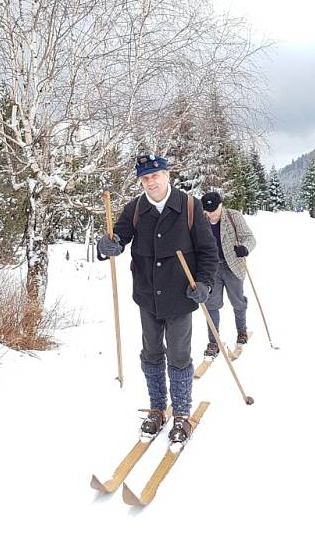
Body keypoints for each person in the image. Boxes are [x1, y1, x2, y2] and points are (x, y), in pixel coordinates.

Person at [97, 154, 218, 443]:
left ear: (167, 175)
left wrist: (204, 284)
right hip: (147, 297)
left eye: (156, 175)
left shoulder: (189, 206)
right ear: (141, 181)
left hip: (180, 297)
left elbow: (208, 252)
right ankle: (156, 409)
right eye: (145, 178)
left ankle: (181, 414)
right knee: (151, 354)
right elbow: (118, 238)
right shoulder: (135, 208)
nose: (151, 182)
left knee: (178, 355)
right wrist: (106, 246)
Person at [199, 191, 256, 357]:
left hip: (233, 265)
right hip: (212, 268)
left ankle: (241, 331)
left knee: (238, 301)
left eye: (214, 210)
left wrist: (244, 248)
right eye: (208, 211)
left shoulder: (233, 216)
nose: (211, 214)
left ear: (221, 205)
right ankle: (213, 341)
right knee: (211, 305)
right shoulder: (202, 221)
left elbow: (250, 238)